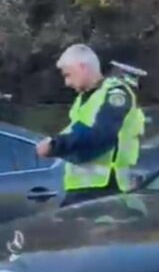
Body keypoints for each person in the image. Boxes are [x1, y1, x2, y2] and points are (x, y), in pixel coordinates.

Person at [36, 44, 146, 207]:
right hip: (85, 192)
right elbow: (76, 133)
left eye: (68, 75)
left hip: (105, 191)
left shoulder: (115, 94)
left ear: (82, 67)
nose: (67, 83)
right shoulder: (83, 99)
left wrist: (55, 145)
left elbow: (100, 135)